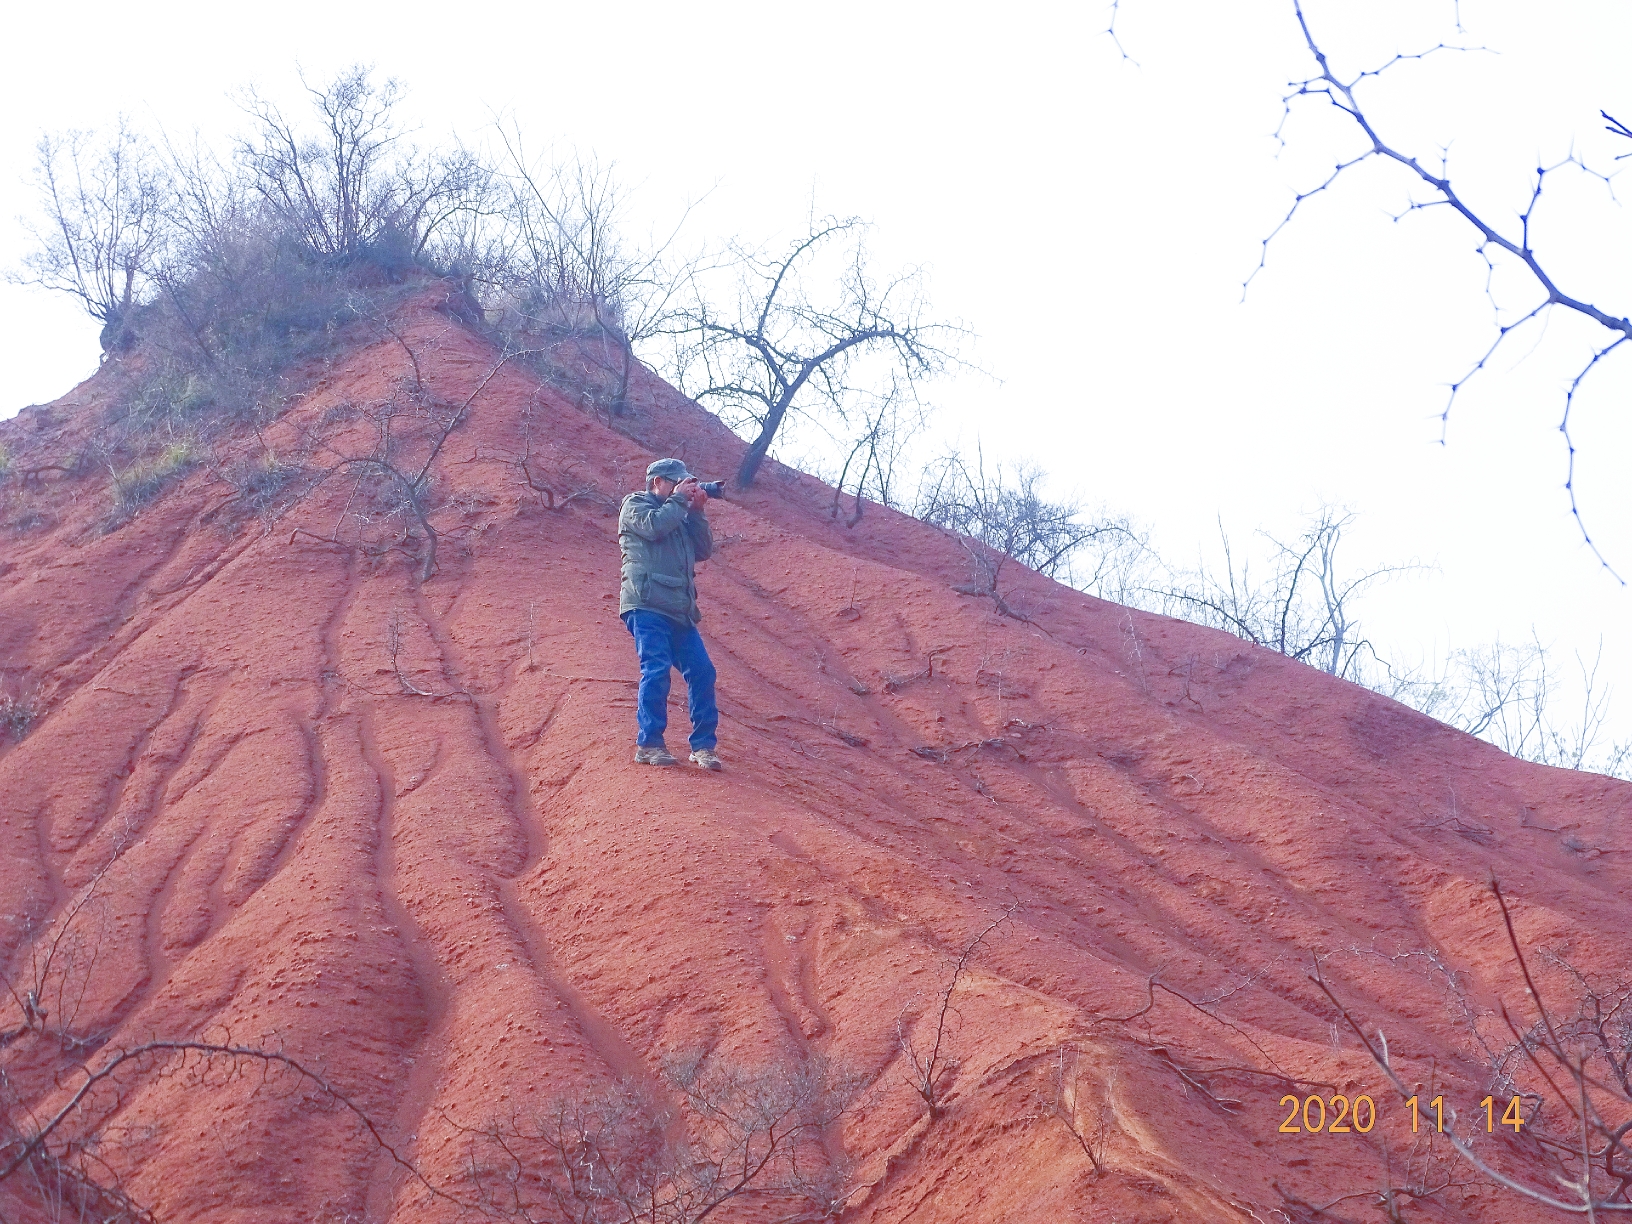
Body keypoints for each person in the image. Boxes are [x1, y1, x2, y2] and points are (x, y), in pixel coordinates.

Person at [617, 458, 723, 770]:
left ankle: (703, 747)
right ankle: (649, 744)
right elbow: (653, 527)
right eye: (677, 482)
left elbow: (703, 551)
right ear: (658, 481)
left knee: (703, 672)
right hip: (646, 603)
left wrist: (697, 513)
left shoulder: (678, 512)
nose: (684, 488)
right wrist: (679, 500)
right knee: (657, 669)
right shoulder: (635, 505)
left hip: (679, 609)